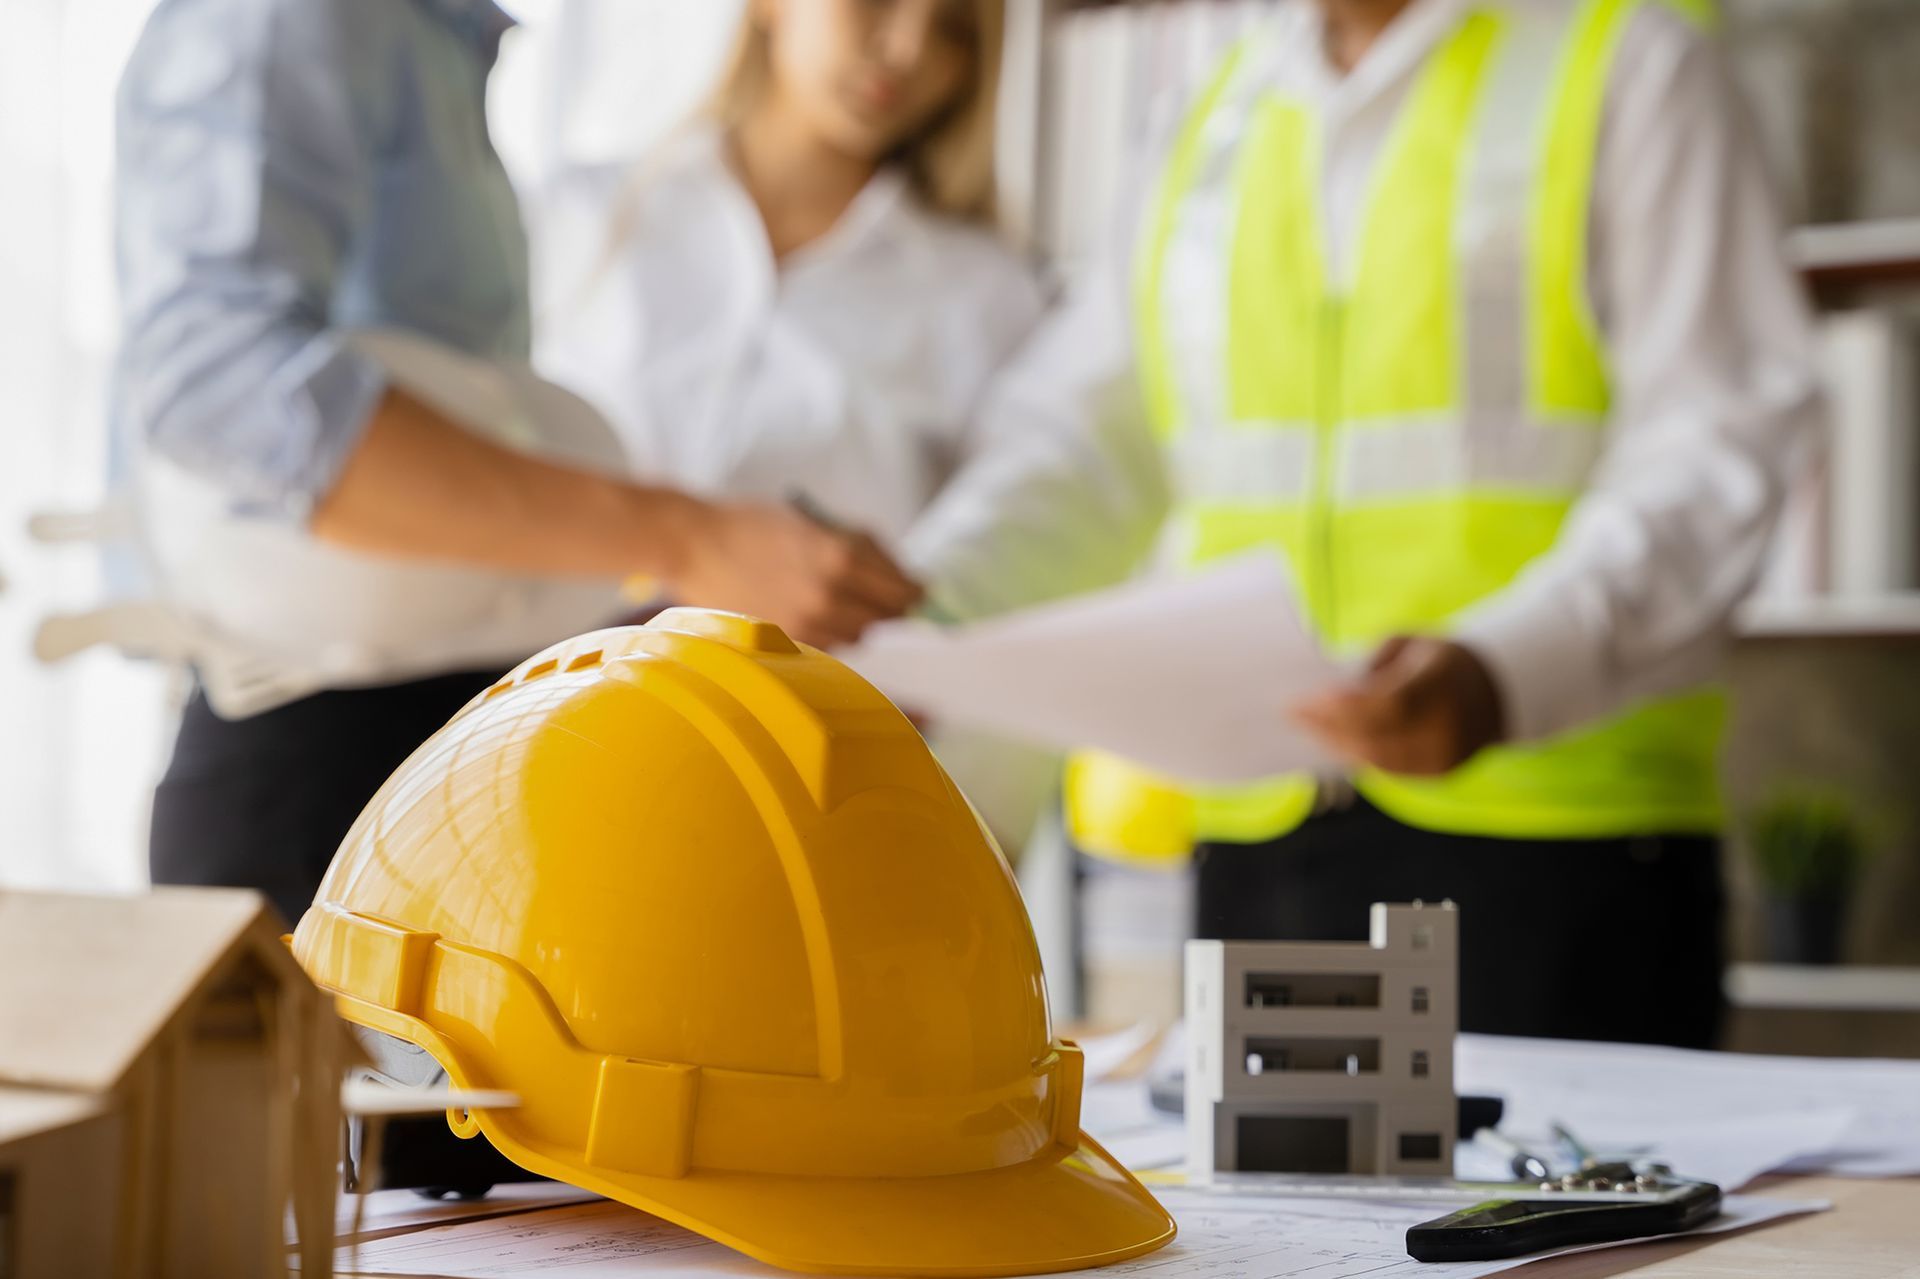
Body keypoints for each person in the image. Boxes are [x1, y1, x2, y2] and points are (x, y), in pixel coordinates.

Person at [1054, 0, 1823, 1047]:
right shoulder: (1209, 112)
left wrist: (1512, 663)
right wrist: (916, 610)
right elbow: (1081, 437)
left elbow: (1717, 434)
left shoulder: (1624, 58)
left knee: (1569, 1215)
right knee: (1264, 1213)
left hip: (1559, 841)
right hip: (1260, 838)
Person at [112, 0, 925, 925]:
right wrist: (690, 537)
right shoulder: (293, 15)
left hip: (460, 760)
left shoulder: (435, 43)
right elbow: (225, 387)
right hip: (313, 768)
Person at [532, 0, 1165, 842]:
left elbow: (992, 607)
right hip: (541, 761)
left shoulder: (984, 297)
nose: (905, 49)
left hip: (802, 817)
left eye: (953, 31)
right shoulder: (577, 221)